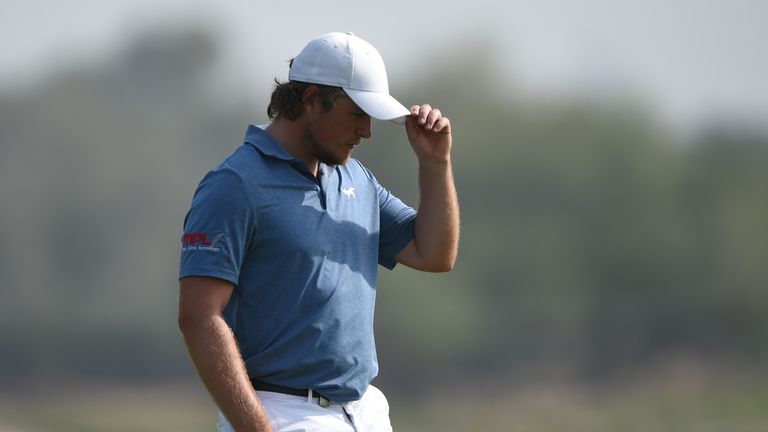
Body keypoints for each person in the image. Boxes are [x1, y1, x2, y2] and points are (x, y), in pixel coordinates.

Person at [177, 32, 459, 432]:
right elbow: (199, 316)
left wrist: (435, 165)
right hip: (281, 410)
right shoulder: (235, 184)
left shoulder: (356, 178)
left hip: (363, 410)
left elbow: (434, 255)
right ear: (310, 100)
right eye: (356, 114)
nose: (366, 131)